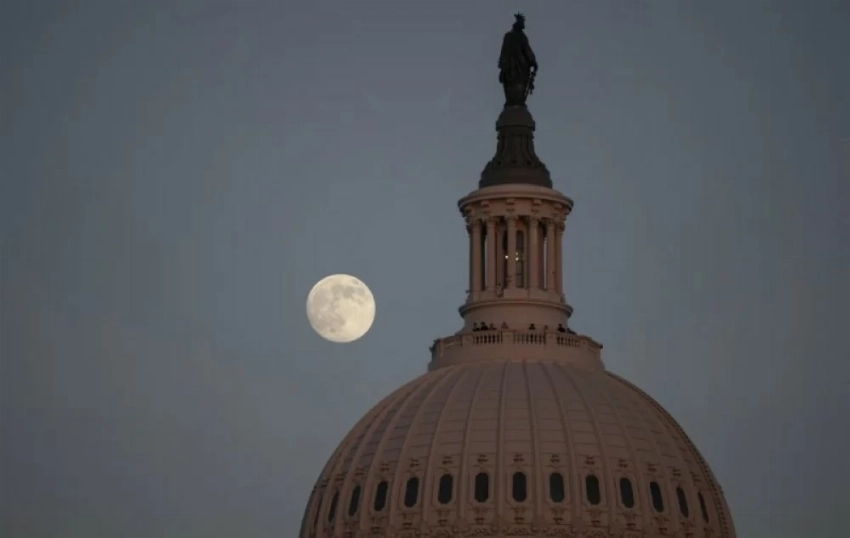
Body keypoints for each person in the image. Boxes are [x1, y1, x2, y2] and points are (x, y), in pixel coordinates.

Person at [498, 13, 538, 106]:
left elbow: (504, 52)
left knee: (514, 85)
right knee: (515, 85)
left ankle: (515, 101)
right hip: (516, 68)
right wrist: (533, 62)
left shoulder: (511, 36)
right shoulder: (518, 37)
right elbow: (527, 51)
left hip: (514, 67)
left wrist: (502, 66)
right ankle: (515, 101)